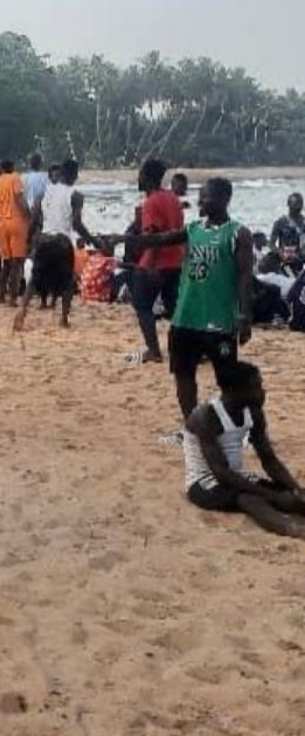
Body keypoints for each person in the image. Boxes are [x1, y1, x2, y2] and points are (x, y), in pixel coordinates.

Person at [121, 176, 252, 420]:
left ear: (224, 199)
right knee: (183, 374)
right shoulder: (193, 230)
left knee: (227, 378)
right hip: (185, 317)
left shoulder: (238, 234)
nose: (200, 201)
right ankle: (192, 426)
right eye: (200, 196)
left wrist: (244, 316)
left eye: (206, 196)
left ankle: (233, 427)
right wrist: (124, 239)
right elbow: (160, 239)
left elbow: (245, 277)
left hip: (220, 319)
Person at [183, 361, 305, 538]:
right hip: (204, 482)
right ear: (236, 391)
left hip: (236, 475)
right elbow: (221, 473)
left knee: (289, 496)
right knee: (249, 499)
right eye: (256, 387)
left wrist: (296, 490)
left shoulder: (253, 412)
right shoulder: (206, 417)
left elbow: (269, 459)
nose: (262, 392)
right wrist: (272, 496)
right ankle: (292, 528)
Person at [16, 159, 94, 331]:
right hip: (62, 243)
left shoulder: (43, 193)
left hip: (44, 240)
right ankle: (64, 319)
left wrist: (28, 240)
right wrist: (92, 239)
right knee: (67, 283)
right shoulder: (76, 195)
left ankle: (22, 309)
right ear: (74, 175)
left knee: (35, 280)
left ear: (61, 173)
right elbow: (76, 224)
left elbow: (34, 219)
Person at [128, 159, 185, 364]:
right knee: (175, 309)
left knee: (142, 305)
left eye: (141, 175)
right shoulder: (173, 198)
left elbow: (151, 235)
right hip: (175, 262)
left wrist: (149, 264)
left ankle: (153, 350)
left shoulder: (150, 203)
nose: (138, 178)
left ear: (147, 177)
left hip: (155, 263)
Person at [0, 158, 29, 306]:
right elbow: (20, 200)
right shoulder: (14, 178)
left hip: (0, 224)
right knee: (17, 263)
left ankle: (1, 296)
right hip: (17, 222)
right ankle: (13, 299)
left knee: (6, 263)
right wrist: (30, 216)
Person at [271, 192, 304, 272]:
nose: (297, 209)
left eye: (299, 206)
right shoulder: (281, 222)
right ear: (289, 205)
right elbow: (271, 243)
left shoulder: (303, 223)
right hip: (284, 261)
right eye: (295, 206)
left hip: (300, 261)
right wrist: (280, 253)